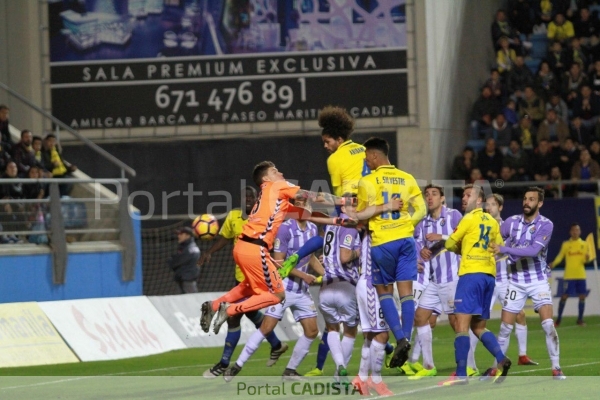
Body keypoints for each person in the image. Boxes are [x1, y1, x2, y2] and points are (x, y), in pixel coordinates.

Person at [200, 161, 350, 336]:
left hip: (243, 247)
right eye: (275, 171)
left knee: (247, 287)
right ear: (266, 178)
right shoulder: (277, 186)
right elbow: (314, 196)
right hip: (256, 249)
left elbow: (310, 215)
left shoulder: (272, 200)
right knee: (277, 295)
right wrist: (346, 200)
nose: (280, 173)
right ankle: (230, 310)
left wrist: (340, 221)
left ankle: (214, 305)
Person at [200, 187, 287, 379]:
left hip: (257, 278)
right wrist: (209, 252)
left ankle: (223, 364)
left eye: (251, 196)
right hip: (241, 278)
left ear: (257, 199)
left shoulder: (261, 218)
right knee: (253, 314)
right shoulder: (234, 216)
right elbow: (225, 238)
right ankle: (276, 345)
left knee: (233, 317)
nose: (248, 199)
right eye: (245, 197)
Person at [355, 137, 426, 369]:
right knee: (406, 293)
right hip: (406, 240)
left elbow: (361, 215)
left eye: (367, 156)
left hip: (383, 241)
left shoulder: (367, 181)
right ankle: (406, 338)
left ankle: (401, 338)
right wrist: (408, 225)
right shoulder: (407, 178)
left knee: (384, 292)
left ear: (375, 156)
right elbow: (422, 209)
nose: (366, 161)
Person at [222, 217, 322, 382]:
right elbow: (278, 263)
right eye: (299, 203)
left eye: (305, 203)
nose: (303, 206)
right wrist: (304, 275)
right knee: (266, 328)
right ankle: (236, 367)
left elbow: (310, 257)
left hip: (302, 291)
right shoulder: (285, 229)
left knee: (312, 331)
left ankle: (290, 371)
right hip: (282, 289)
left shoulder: (312, 227)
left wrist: (326, 274)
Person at [488, 187, 565, 379]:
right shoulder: (511, 223)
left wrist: (504, 249)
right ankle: (494, 368)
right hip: (515, 281)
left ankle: (556, 368)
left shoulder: (546, 225)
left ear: (539, 203)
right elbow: (496, 239)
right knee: (505, 328)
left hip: (538, 281)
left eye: (531, 199)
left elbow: (532, 251)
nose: (526, 202)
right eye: (524, 198)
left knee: (548, 325)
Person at [439, 184, 511, 386]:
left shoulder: (467, 218)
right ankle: (500, 357)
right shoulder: (492, 221)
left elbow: (449, 243)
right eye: (462, 195)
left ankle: (461, 374)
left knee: (461, 327)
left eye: (468, 195)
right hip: (489, 277)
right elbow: (500, 249)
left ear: (479, 200)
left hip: (470, 275)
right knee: (479, 326)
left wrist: (461, 249)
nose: (464, 198)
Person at [468, 194, 538, 376]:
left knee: (516, 317)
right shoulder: (481, 225)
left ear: (500, 207)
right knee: (475, 322)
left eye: (492, 204)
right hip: (488, 279)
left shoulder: (509, 227)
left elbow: (515, 250)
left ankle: (507, 361)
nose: (488, 207)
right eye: (487, 204)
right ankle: (470, 364)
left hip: (505, 280)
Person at [408, 184, 462, 379]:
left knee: (457, 323)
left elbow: (463, 239)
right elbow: (420, 249)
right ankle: (429, 365)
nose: (429, 198)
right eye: (427, 195)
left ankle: (466, 366)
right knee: (420, 317)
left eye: (434, 194)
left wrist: (443, 237)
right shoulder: (422, 224)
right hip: (433, 280)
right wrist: (420, 254)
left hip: (453, 279)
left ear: (442, 198)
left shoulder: (454, 216)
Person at [317, 196, 361, 385]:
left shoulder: (331, 225)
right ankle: (338, 376)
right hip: (346, 286)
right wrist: (360, 251)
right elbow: (344, 256)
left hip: (326, 286)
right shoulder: (348, 226)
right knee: (350, 332)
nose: (359, 208)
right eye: (356, 204)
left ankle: (340, 365)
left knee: (332, 328)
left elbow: (330, 253)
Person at [352, 232, 394, 396]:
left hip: (369, 283)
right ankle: (375, 380)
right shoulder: (377, 230)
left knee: (371, 335)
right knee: (382, 336)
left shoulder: (374, 229)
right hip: (372, 284)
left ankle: (361, 378)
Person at [319, 105, 368, 197]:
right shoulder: (364, 148)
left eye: (327, 142)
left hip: (352, 200)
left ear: (339, 140)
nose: (325, 146)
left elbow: (338, 191)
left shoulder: (334, 159)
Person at [550, 223, 589, 326]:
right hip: (569, 275)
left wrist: (587, 258)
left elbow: (585, 261)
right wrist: (554, 263)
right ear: (570, 232)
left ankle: (580, 319)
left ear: (580, 232)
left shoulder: (584, 244)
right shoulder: (566, 244)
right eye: (573, 230)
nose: (575, 232)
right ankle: (558, 319)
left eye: (577, 230)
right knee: (564, 296)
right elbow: (560, 256)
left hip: (581, 275)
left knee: (582, 297)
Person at [167, 227, 200, 293]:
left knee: (191, 300)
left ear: (187, 236)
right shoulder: (187, 247)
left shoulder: (189, 249)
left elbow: (175, 262)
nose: (178, 236)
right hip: (183, 281)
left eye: (181, 234)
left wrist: (171, 260)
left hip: (187, 281)